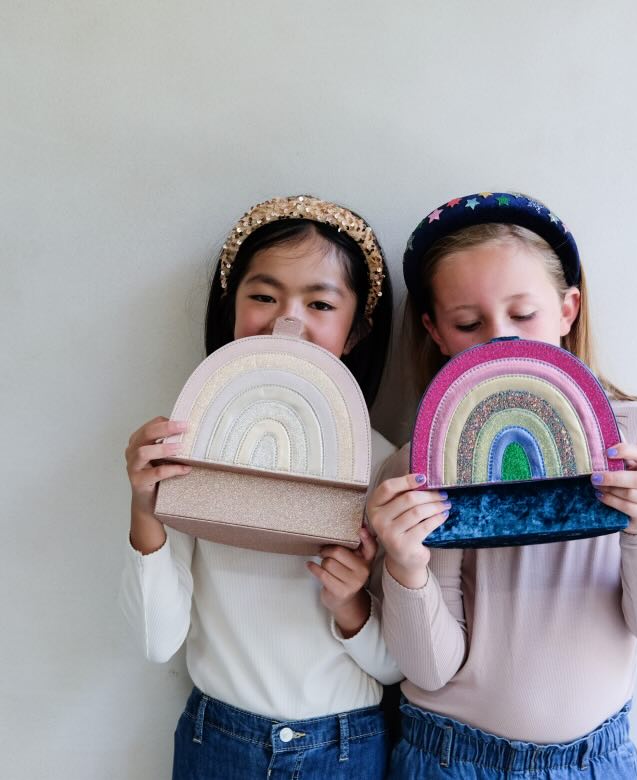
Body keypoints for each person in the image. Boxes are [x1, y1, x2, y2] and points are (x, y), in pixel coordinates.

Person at [368, 191, 637, 779]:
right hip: (447, 756)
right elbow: (429, 669)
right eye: (468, 323)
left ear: (568, 310)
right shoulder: (418, 468)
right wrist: (406, 566)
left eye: (524, 315)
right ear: (436, 332)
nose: (501, 339)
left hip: (593, 759)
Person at [120, 195, 401, 779]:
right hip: (217, 740)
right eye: (264, 296)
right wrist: (146, 508)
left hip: (345, 746)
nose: (286, 322)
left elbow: (395, 667)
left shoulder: (382, 465)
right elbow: (157, 641)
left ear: (356, 330)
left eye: (320, 303)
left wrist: (350, 605)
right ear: (231, 308)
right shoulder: (189, 449)